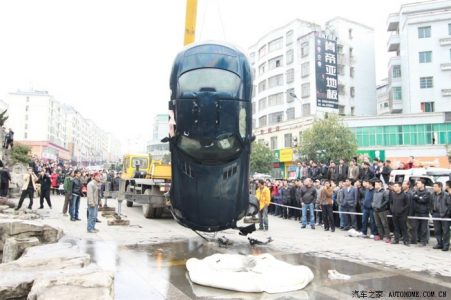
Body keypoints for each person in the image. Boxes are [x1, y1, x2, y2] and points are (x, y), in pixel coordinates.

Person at [411, 179, 432, 246]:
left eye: (419, 183)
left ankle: (423, 241)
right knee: (415, 227)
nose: (417, 184)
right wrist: (418, 197)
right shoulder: (416, 191)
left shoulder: (427, 192)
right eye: (417, 183)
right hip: (416, 212)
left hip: (424, 212)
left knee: (423, 228)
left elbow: (423, 200)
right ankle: (415, 240)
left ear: (423, 184)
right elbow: (413, 197)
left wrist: (418, 198)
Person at [431, 182, 450, 251]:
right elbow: (430, 204)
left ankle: (446, 245)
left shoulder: (446, 195)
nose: (434, 188)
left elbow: (449, 205)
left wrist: (447, 213)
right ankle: (439, 243)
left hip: (444, 215)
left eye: (435, 186)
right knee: (437, 230)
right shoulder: (432, 195)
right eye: (433, 186)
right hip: (435, 214)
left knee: (445, 231)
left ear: (440, 187)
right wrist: (432, 212)